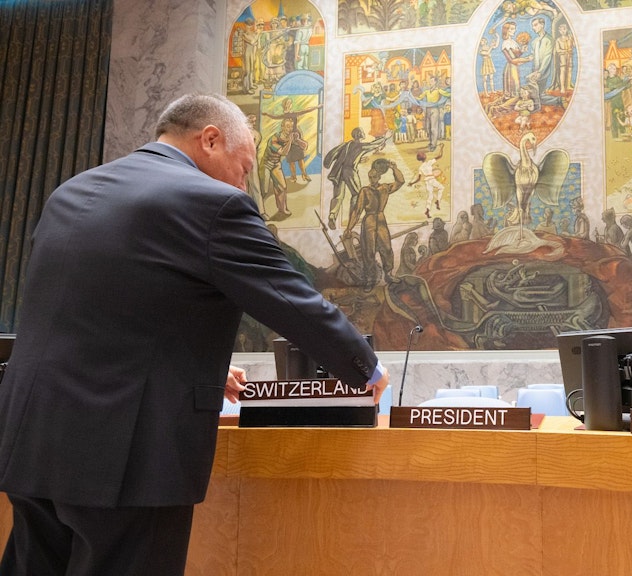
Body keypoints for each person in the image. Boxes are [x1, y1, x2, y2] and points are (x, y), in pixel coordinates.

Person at [0, 93, 389, 575]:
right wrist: (364, 366)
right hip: (126, 449)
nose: (245, 182)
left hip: (32, 437)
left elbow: (98, 312)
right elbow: (290, 297)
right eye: (244, 168)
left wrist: (193, 364)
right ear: (210, 139)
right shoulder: (212, 202)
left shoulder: (74, 191)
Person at [344, 158, 406, 285]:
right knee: (369, 251)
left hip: (381, 220)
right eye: (370, 177)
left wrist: (394, 168)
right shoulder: (364, 191)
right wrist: (349, 228)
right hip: (369, 221)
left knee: (387, 248)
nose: (372, 179)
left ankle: (388, 274)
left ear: (379, 177)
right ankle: (370, 279)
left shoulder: (385, 188)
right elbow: (357, 211)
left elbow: (400, 181)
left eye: (374, 177)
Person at [323, 126, 389, 229]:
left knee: (338, 196)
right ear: (361, 135)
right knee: (357, 195)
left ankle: (332, 216)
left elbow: (342, 156)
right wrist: (385, 138)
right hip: (349, 171)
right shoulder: (360, 146)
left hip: (338, 172)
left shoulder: (346, 145)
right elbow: (373, 145)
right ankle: (352, 217)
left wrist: (358, 160)